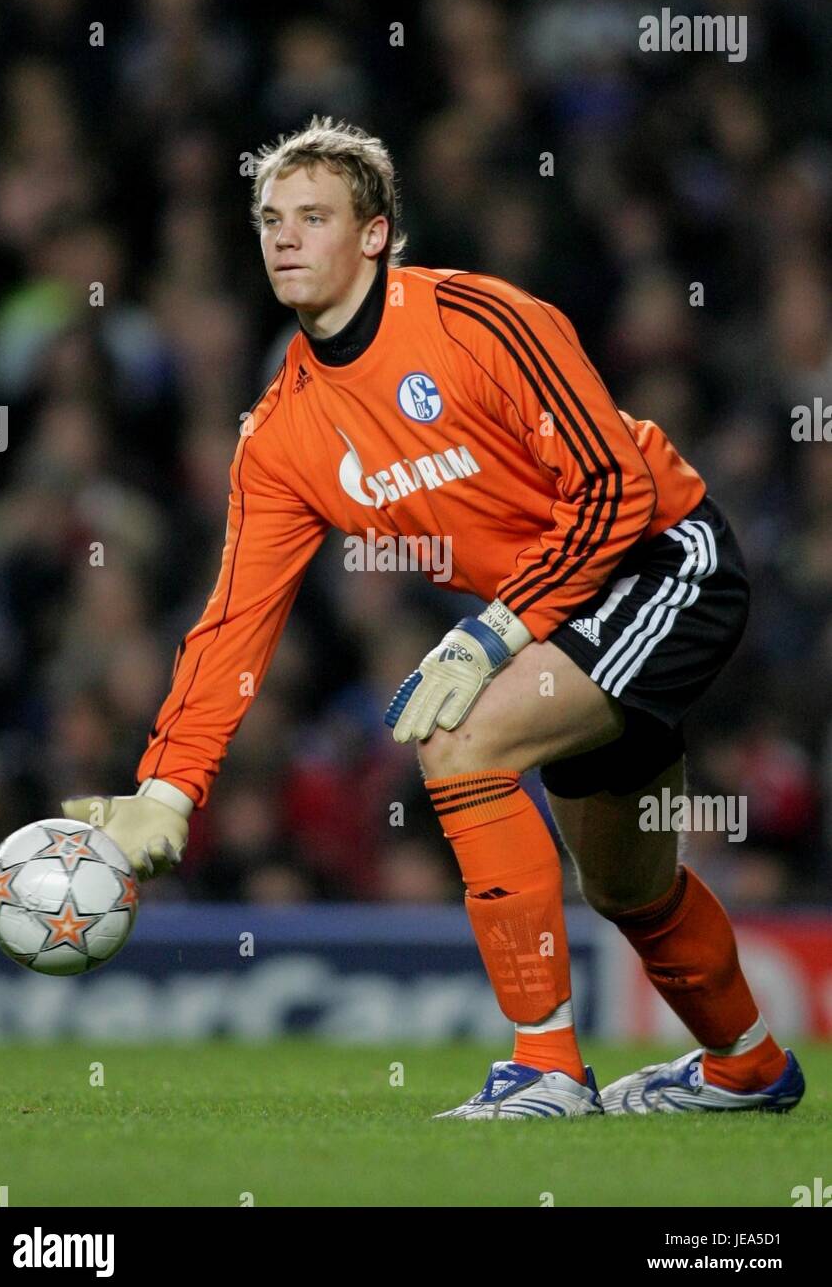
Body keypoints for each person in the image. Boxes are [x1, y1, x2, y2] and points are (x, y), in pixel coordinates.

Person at [63, 116, 804, 1118]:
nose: (283, 239)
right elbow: (233, 622)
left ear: (373, 233)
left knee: (457, 737)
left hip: (662, 560)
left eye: (313, 217)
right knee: (625, 883)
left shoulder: (479, 320)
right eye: (270, 219)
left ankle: (544, 1070)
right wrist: (168, 789)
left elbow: (611, 489)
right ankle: (746, 1069)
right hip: (559, 621)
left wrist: (490, 632)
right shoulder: (280, 433)